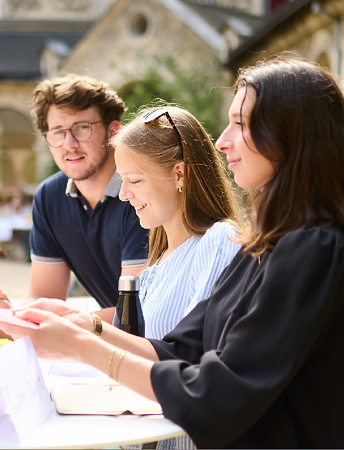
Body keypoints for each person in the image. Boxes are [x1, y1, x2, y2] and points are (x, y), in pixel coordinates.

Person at [0, 57, 344, 448]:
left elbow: (220, 391)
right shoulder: (267, 245)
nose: (222, 140)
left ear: (291, 135)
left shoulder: (312, 246)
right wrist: (85, 326)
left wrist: (81, 346)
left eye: (239, 123)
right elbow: (179, 349)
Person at [0, 74, 149, 338]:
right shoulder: (50, 197)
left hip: (166, 346)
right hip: (113, 342)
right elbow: (44, 296)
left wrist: (28, 324)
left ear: (114, 131)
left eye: (82, 127)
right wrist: (6, 321)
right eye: (58, 132)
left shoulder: (140, 191)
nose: (69, 144)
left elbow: (137, 309)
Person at [113, 106, 242, 449]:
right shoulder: (154, 268)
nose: (124, 195)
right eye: (122, 181)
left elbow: (197, 358)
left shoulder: (218, 243)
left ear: (180, 173)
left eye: (134, 181)